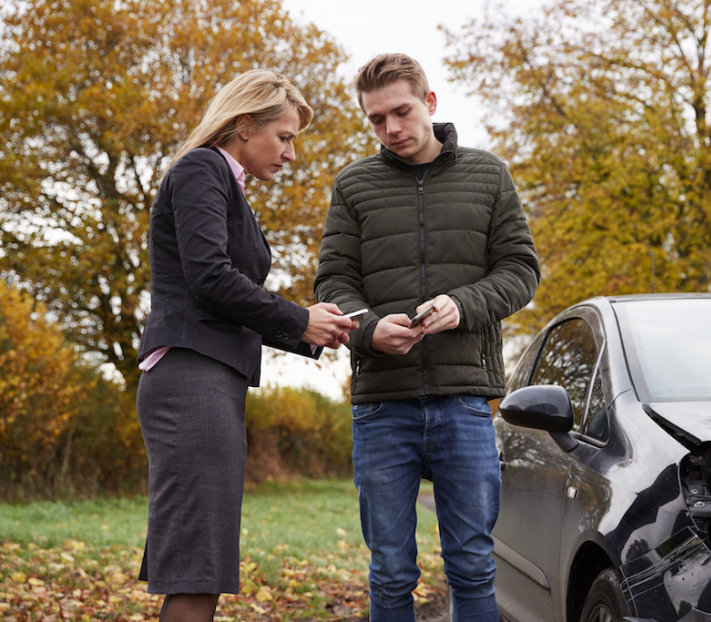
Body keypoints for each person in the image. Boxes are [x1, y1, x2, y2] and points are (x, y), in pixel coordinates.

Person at [314, 53, 540, 622]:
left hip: (463, 400)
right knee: (390, 570)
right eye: (376, 119)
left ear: (430, 104)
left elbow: (520, 271)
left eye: (401, 111)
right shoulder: (354, 185)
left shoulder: (489, 175)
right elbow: (333, 280)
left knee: (471, 564)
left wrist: (462, 306)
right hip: (381, 403)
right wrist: (367, 328)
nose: (391, 128)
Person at [136, 69, 358, 622]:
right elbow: (211, 277)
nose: (290, 154)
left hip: (210, 377)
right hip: (191, 376)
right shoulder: (201, 168)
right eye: (283, 137)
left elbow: (229, 293)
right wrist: (298, 320)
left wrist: (312, 331)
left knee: (202, 561)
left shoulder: (225, 184)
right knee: (197, 565)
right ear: (242, 125)